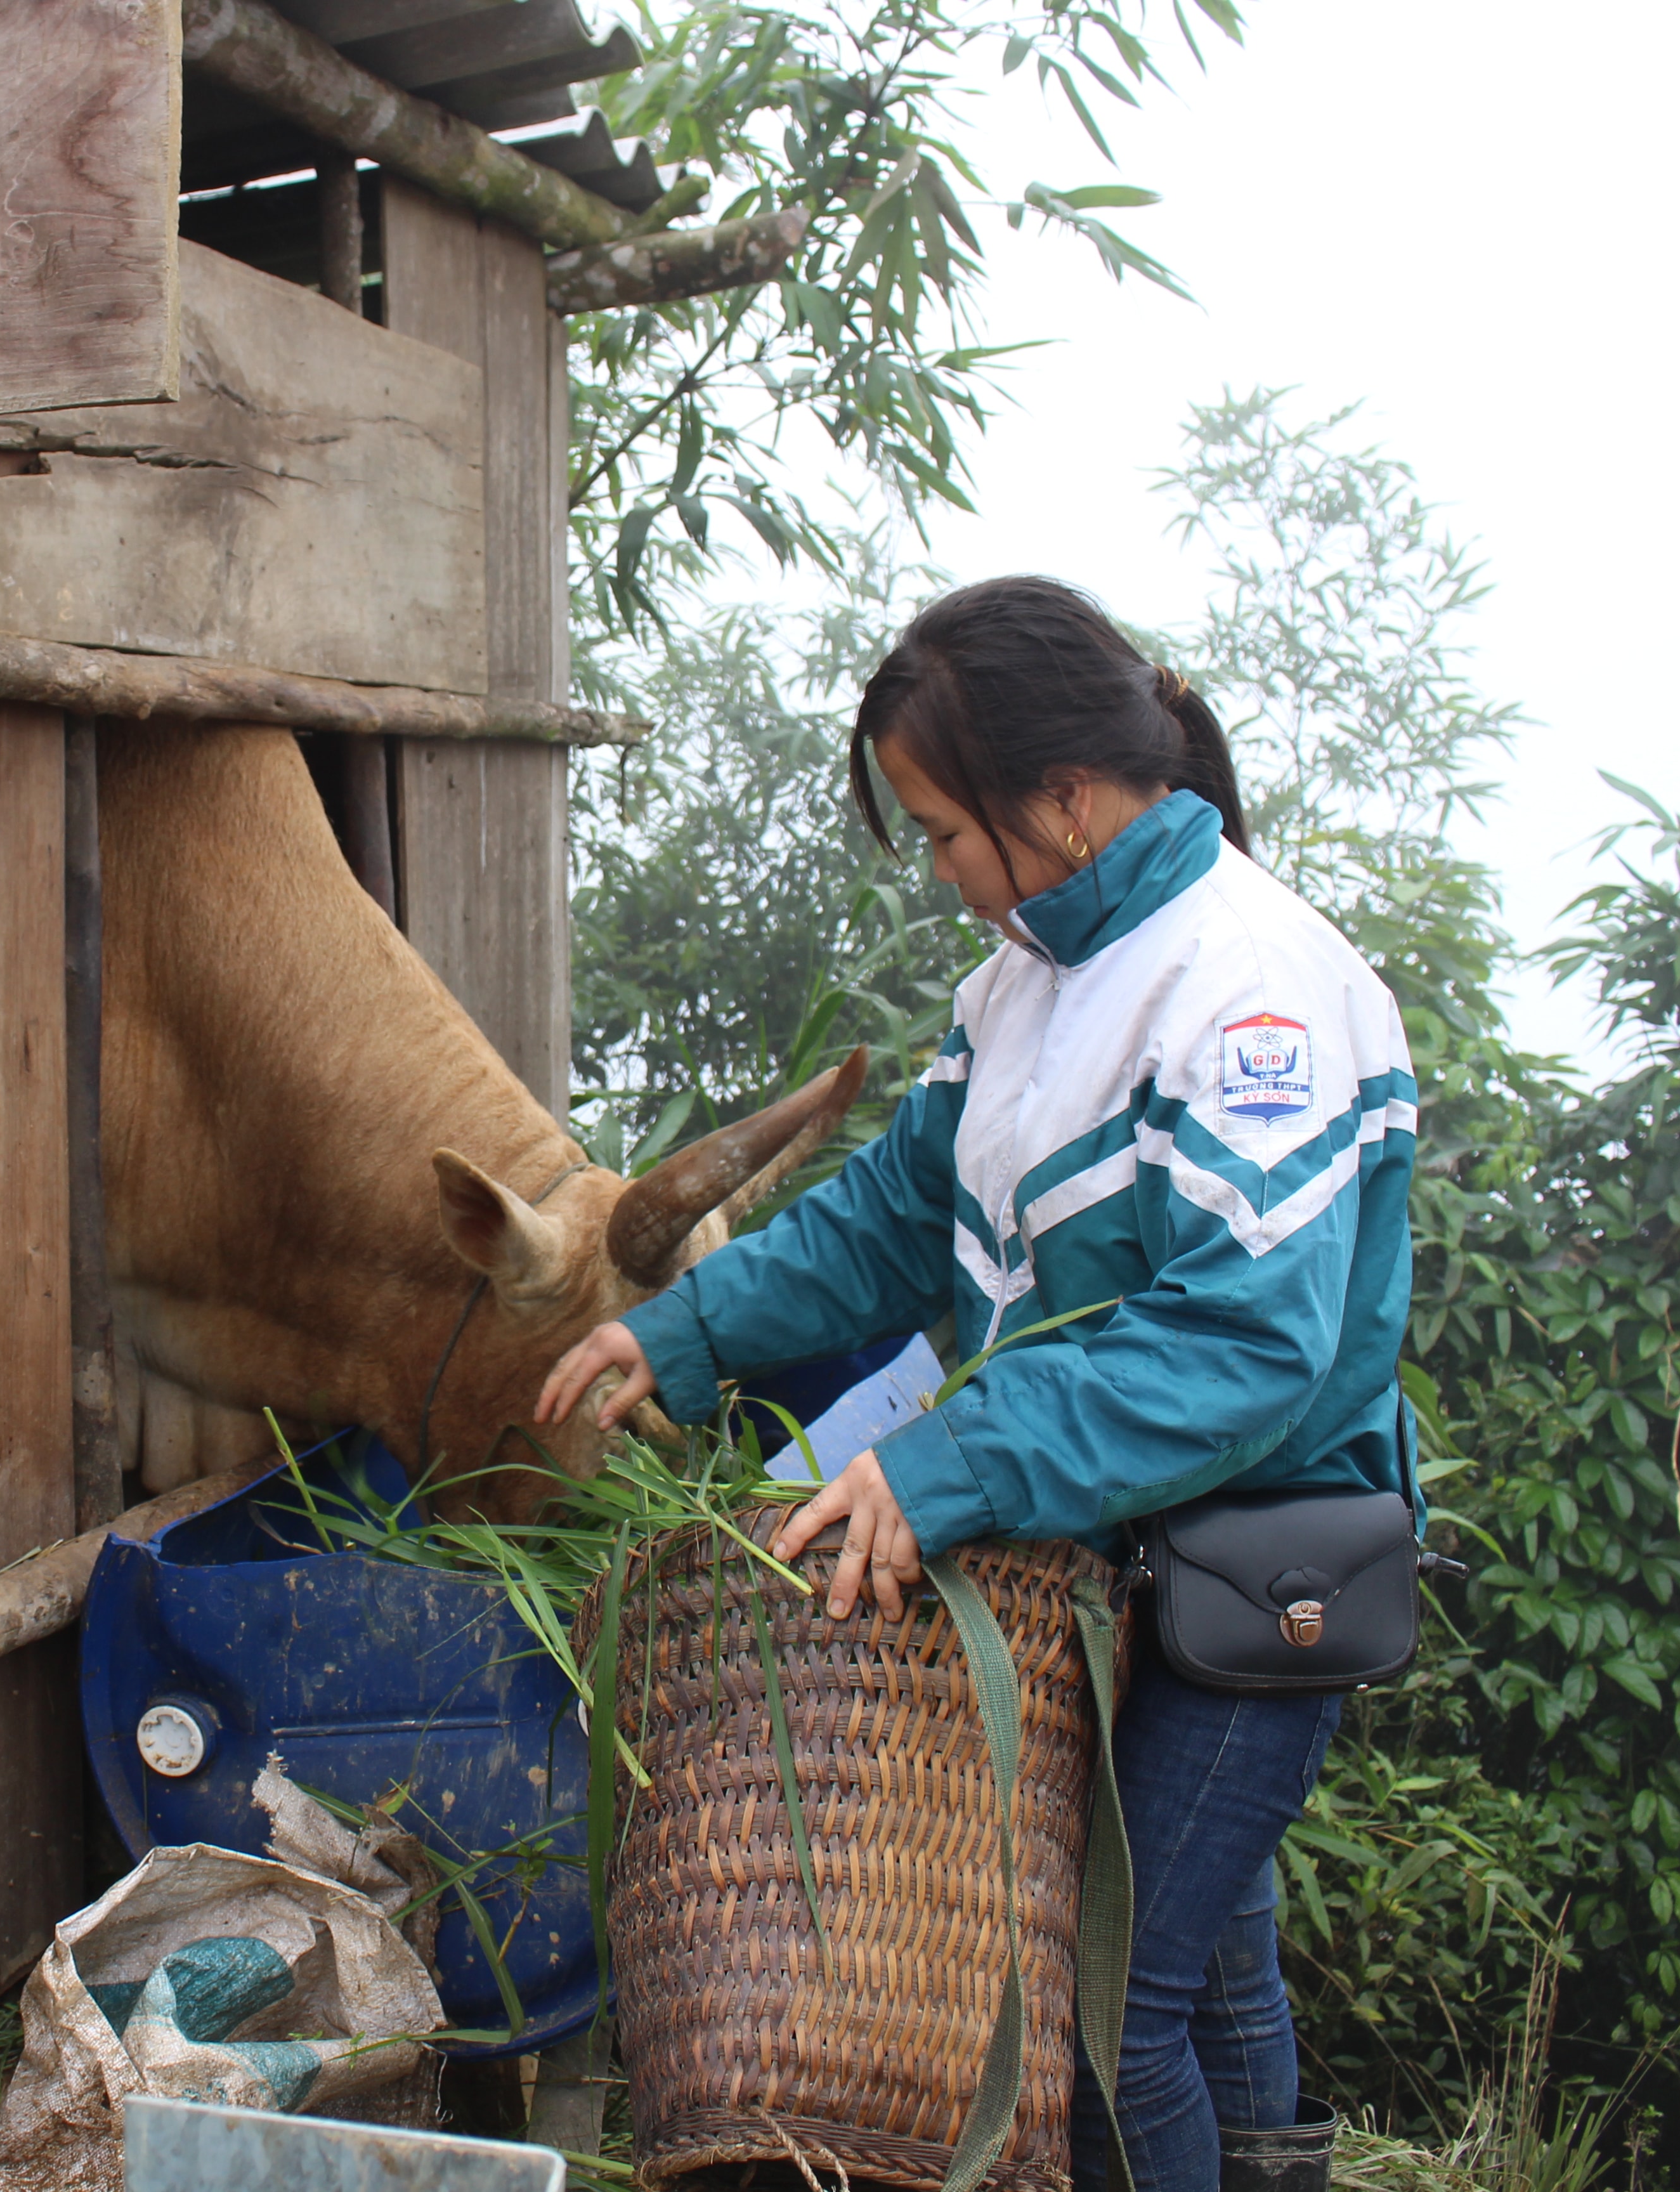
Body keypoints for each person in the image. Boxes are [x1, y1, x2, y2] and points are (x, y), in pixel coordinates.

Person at [535, 576, 1416, 2192]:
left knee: (1110, 2010)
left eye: (945, 832)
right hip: (1102, 1549)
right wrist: (681, 1330)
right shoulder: (1024, 977)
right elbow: (893, 1216)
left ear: (1063, 801)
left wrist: (948, 1468)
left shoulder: (1254, 992)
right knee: (1212, 1966)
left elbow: (1244, 1347)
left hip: (1247, 1563)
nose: (941, 875)